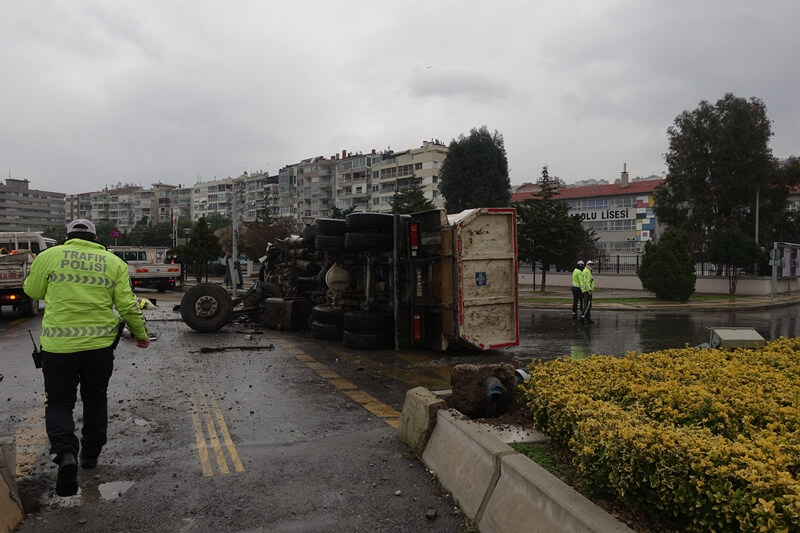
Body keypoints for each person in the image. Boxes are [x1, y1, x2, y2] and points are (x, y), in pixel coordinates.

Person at [23, 219, 150, 497]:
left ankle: (66, 453)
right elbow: (127, 305)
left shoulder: (48, 257)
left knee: (58, 403)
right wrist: (141, 333)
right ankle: (90, 456)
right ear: (95, 237)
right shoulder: (112, 262)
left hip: (59, 348)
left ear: (68, 236)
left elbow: (32, 292)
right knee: (95, 398)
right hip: (99, 347)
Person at [580, 260, 595, 325]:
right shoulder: (586, 272)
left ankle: (588, 318)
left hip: (586, 290)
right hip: (587, 291)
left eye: (592, 264)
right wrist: (589, 290)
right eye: (590, 264)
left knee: (588, 305)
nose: (591, 265)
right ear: (587, 265)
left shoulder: (588, 271)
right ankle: (582, 317)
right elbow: (586, 282)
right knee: (587, 305)